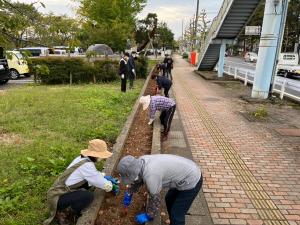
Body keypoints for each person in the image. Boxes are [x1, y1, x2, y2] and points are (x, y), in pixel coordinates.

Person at [43, 139, 119, 225]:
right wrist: (111, 186)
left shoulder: (82, 158)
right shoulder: (87, 166)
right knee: (88, 196)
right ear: (95, 155)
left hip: (59, 190)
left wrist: (103, 176)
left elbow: (92, 175)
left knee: (88, 185)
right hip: (58, 197)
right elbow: (100, 182)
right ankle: (63, 212)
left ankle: (68, 206)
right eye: (101, 156)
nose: (102, 158)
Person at [117, 154, 203, 225]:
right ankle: (173, 221)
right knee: (169, 199)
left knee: (176, 214)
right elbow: (138, 178)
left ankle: (176, 221)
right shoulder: (141, 161)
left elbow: (155, 200)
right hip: (183, 173)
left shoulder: (151, 177)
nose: (130, 181)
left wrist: (149, 215)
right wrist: (130, 192)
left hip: (191, 180)